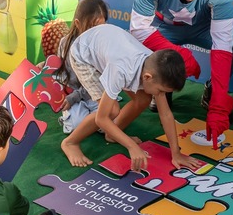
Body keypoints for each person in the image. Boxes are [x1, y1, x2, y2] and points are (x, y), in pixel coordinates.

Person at [130, 0, 233, 147]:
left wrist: (218, 105)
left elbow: (223, 45)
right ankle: (162, 89)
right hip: (165, 29)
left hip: (203, 29)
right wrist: (177, 53)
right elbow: (138, 29)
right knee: (139, 47)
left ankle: (210, 92)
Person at [60, 23, 204, 172]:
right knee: (111, 111)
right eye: (161, 90)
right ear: (147, 77)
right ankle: (70, 143)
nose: (161, 94)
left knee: (143, 99)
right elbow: (101, 119)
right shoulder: (121, 71)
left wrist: (176, 153)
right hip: (83, 55)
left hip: (107, 48)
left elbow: (166, 114)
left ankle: (112, 134)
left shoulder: (155, 68)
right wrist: (131, 146)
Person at [56, 0, 109, 133]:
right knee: (77, 125)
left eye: (101, 28)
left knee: (109, 123)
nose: (96, 33)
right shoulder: (65, 43)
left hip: (95, 94)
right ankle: (72, 117)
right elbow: (60, 68)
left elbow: (98, 84)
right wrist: (44, 65)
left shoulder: (104, 45)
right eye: (91, 28)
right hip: (74, 95)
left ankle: (90, 119)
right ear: (78, 24)